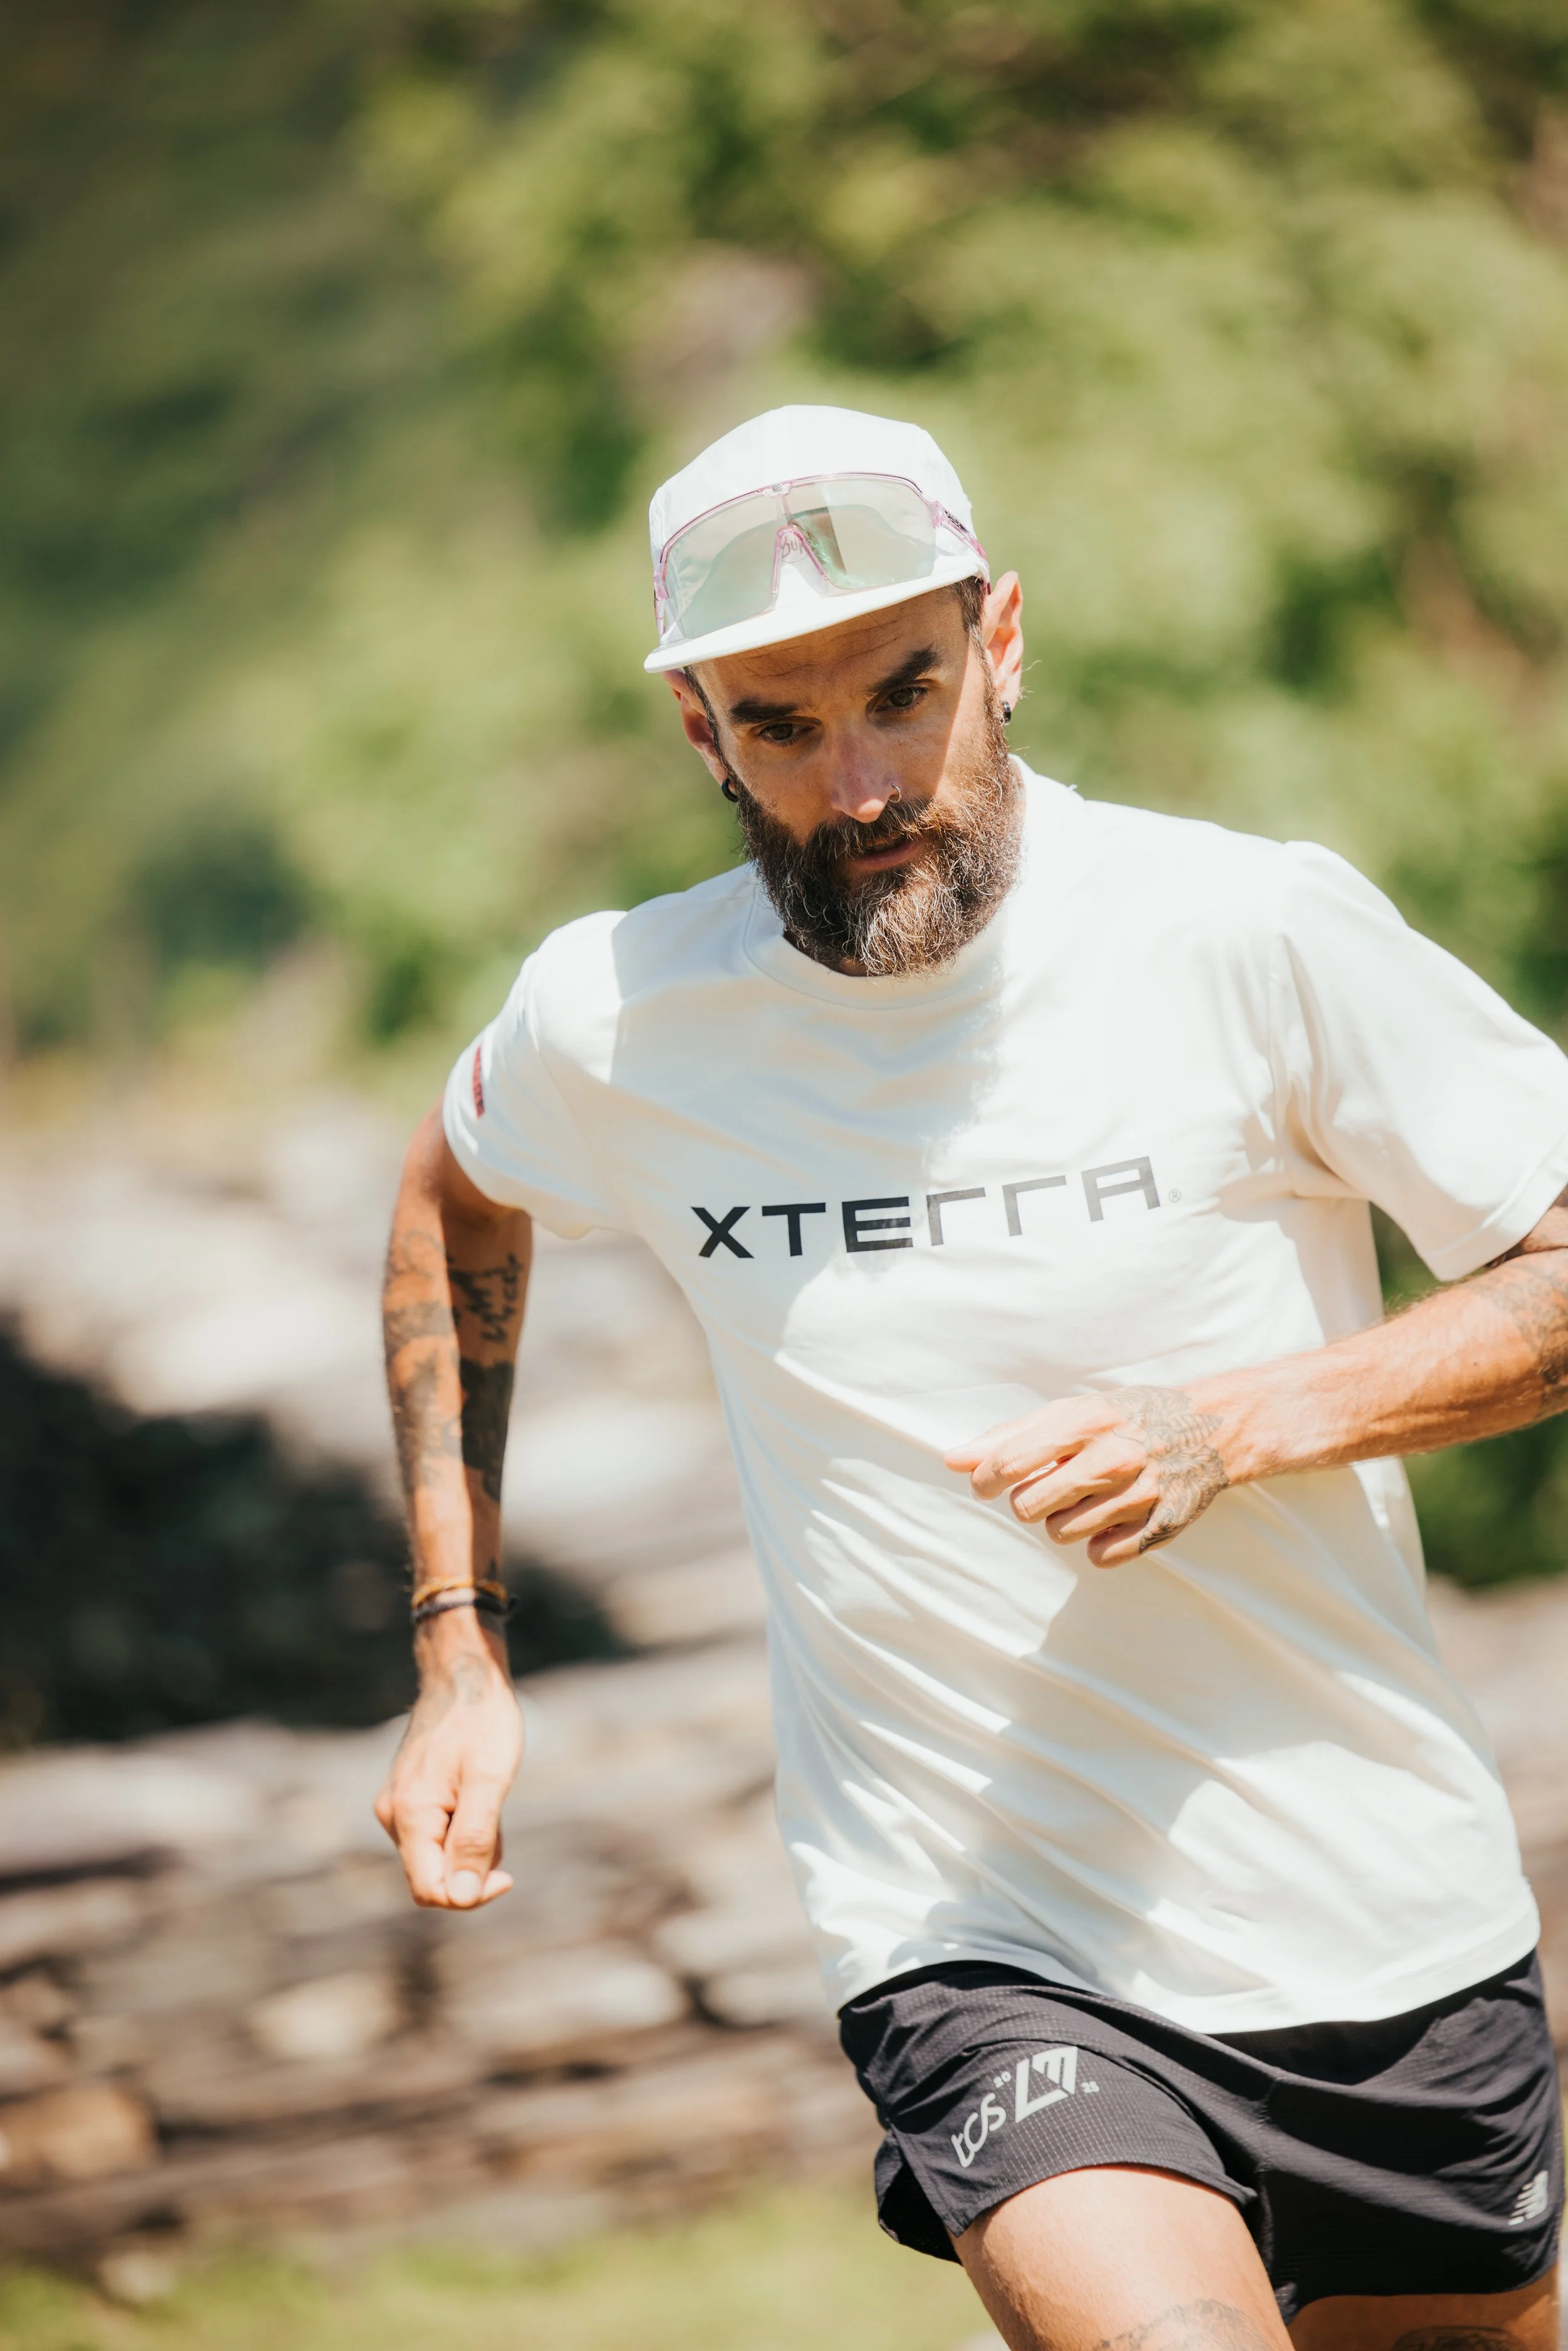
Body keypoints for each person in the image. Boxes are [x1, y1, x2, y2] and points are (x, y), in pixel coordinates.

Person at [376, 405, 1567, 2351]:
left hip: (1381, 1916)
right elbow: (451, 1199)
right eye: (778, 724)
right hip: (981, 1943)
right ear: (700, 733)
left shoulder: (1242, 931)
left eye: (901, 694)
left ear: (999, 640)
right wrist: (457, 1642)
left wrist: (1235, 1422)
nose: (857, 785)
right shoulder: (615, 1016)